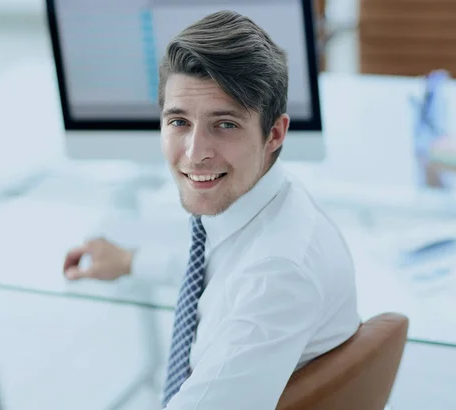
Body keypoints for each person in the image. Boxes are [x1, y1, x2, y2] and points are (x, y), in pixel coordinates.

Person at [63, 10, 360, 409]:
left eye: (225, 124)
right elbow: (221, 271)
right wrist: (133, 260)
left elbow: (253, 283)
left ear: (275, 133)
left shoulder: (277, 275)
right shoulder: (260, 207)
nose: (194, 153)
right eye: (179, 122)